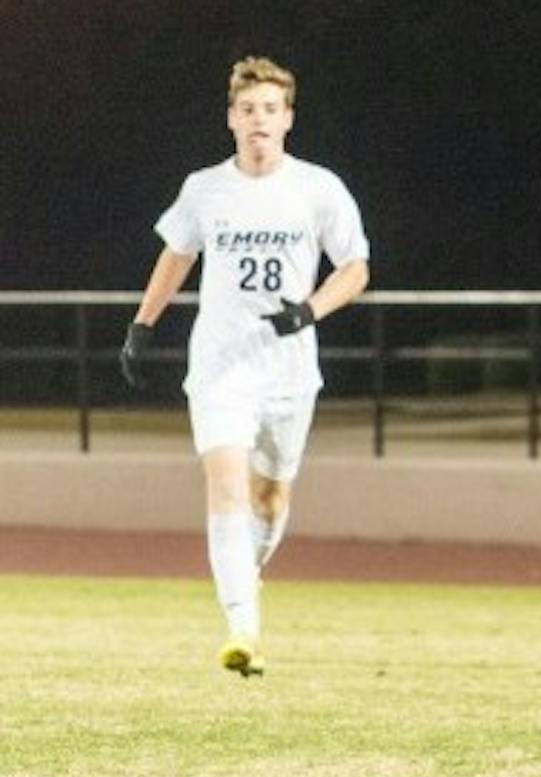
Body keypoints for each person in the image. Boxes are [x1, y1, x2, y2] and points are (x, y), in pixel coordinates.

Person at [116, 56, 371, 678]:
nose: (259, 119)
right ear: (232, 118)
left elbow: (356, 269)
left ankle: (245, 576)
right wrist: (142, 326)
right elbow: (176, 256)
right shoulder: (205, 188)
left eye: (271, 110)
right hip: (221, 365)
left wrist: (306, 312)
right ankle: (242, 628)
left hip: (288, 370)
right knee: (226, 486)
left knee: (270, 494)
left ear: (288, 119)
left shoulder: (318, 188)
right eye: (248, 109)